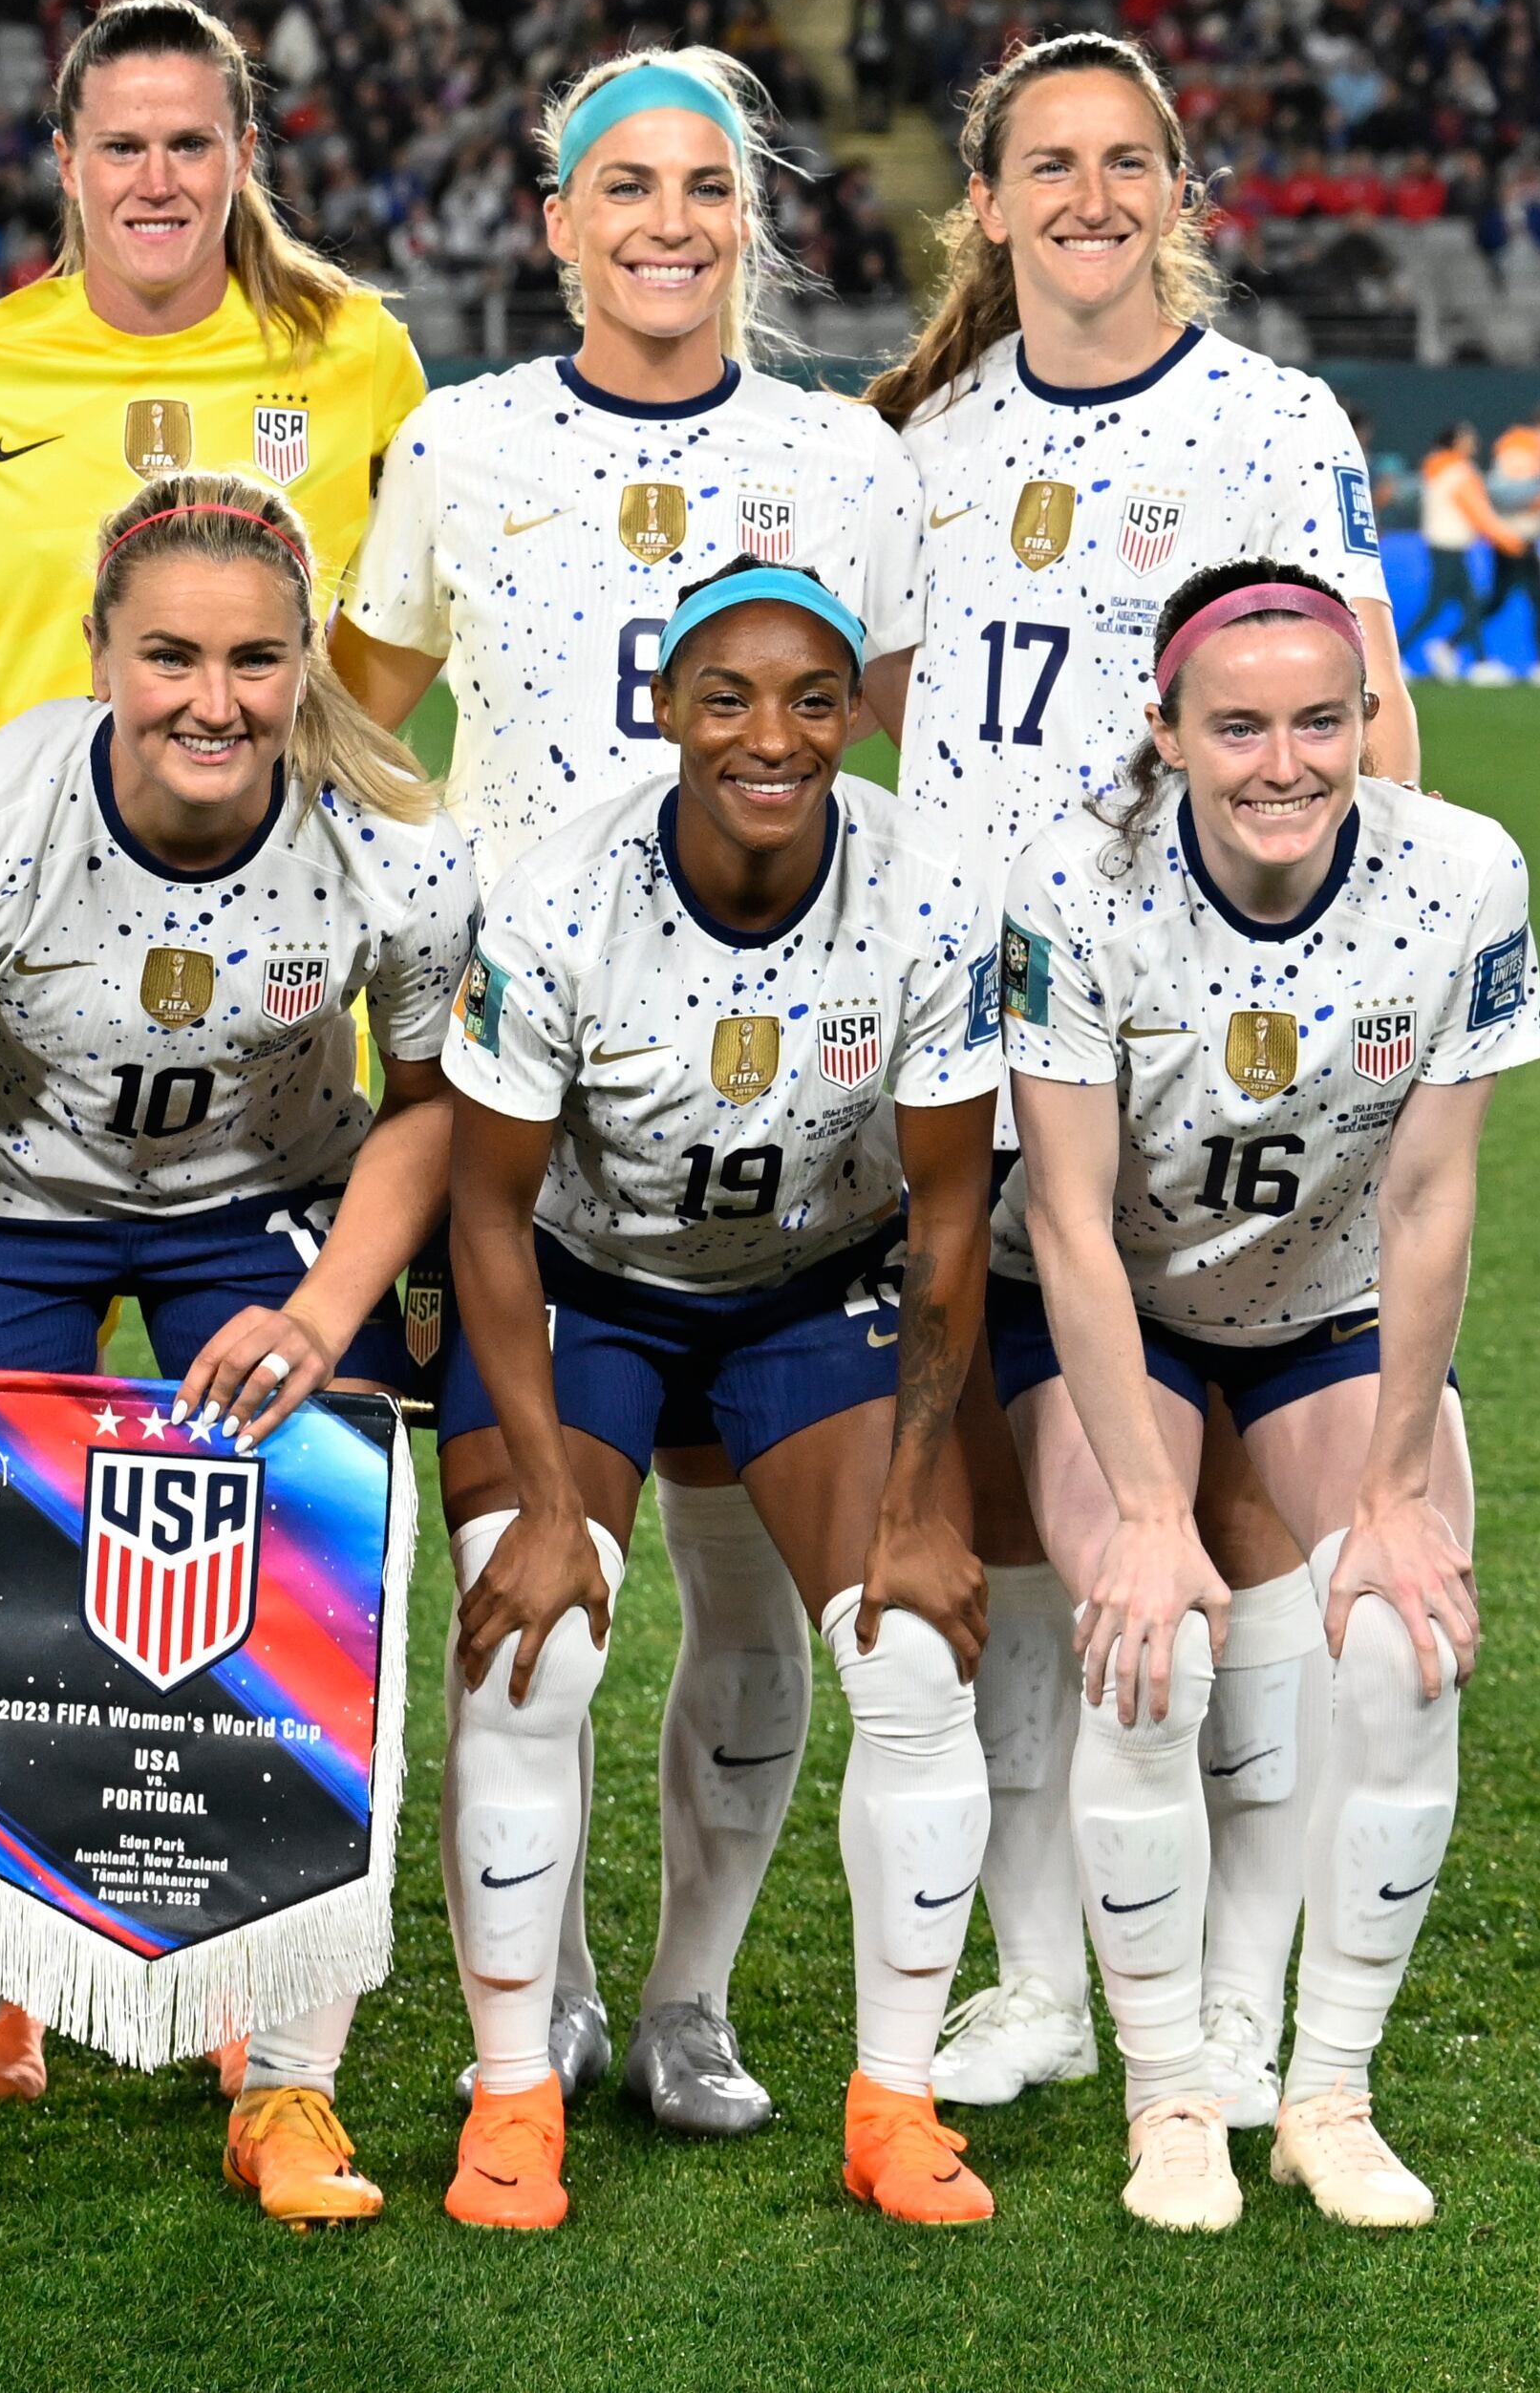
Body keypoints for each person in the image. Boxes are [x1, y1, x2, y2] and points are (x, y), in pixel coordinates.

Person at [0, 470, 469, 2233]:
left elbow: (436, 1103)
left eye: (252, 660)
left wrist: (317, 1316)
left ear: (306, 665)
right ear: (97, 657)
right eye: (168, 657)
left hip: (263, 1208)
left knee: (314, 1580)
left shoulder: (399, 840)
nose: (211, 700)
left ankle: (284, 2089)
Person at [333, 45, 928, 2132]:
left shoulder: (844, 461)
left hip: (775, 1124)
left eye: (704, 186)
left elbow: (892, 758)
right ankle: (553, 1986)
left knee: (752, 1599)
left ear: (745, 216)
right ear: (555, 217)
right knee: (534, 1596)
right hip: (532, 1111)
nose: (666, 220)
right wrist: (444, 908)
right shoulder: (460, 440)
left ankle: (687, 1995)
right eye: (625, 187)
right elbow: (353, 717)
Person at [865, 30, 1410, 2125]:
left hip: (1209, 1043)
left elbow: (1369, 716)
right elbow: (883, 726)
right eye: (1044, 164)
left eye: (1124, 161)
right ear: (984, 204)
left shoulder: (1276, 419)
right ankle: (1037, 1983)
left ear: (1174, 187)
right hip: (976, 1046)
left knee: (1243, 1524)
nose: (1087, 195)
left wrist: (1363, 1018)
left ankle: (1237, 1991)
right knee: (1028, 1526)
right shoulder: (913, 436)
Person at [438, 560, 1003, 2227]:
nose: (773, 735)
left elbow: (956, 1209)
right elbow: (481, 1207)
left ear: (851, 715)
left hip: (808, 1291)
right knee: (528, 1643)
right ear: (670, 708)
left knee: (905, 1653)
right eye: (732, 699)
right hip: (579, 1282)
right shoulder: (553, 899)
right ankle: (515, 2087)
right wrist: (546, 1505)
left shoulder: (931, 890)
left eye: (814, 701)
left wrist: (911, 1504)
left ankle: (827, 2076)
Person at [991, 557, 1533, 2230]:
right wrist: (1148, 1514)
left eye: (1321, 720)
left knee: (1407, 1638)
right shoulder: (1071, 880)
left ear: (1371, 721)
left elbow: (1432, 1202)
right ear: (1167, 730)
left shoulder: (1462, 875)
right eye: (1237, 727)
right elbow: (1068, 1218)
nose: (1283, 760)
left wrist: (1386, 1496)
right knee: (1146, 1645)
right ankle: (1169, 2100)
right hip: (1115, 1307)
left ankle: (1326, 2096)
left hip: (1325, 1308)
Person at [0, 0, 429, 763]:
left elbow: (427, 593)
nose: (156, 180)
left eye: (190, 145)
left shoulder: (354, 348)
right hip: (20, 861)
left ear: (241, 157)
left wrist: (325, 756)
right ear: (68, 164)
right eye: (121, 147)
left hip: (266, 863)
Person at [1396, 424, 1527, 680]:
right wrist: (1509, 541)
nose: (1474, 443)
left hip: (1441, 544)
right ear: (1456, 441)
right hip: (1450, 546)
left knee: (1469, 605)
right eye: (1469, 438)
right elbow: (1478, 512)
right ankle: (1396, 656)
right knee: (1437, 607)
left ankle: (1480, 662)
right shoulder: (1459, 472)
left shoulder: (1436, 469)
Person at [1478, 406, 1540, 681]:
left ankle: (1452, 644)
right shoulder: (1520, 451)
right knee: (1538, 599)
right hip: (1515, 539)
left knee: (1499, 600)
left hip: (1518, 538)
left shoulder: (1530, 452)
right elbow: (1503, 494)